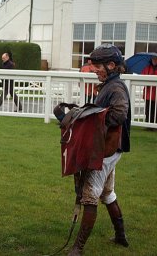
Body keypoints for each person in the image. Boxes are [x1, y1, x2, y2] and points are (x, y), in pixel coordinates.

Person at [68, 43, 131, 256]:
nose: (93, 69)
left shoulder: (115, 88)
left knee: (90, 196)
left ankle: (78, 247)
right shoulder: (109, 85)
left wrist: (93, 116)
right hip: (109, 148)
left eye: (97, 65)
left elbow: (119, 114)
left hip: (106, 151)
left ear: (111, 65)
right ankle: (121, 236)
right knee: (107, 193)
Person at [141, 54, 157, 125]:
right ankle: (148, 124)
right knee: (148, 109)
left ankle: (155, 124)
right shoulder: (147, 68)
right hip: (148, 93)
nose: (154, 60)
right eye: (153, 59)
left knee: (155, 109)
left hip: (155, 93)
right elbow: (143, 77)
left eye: (156, 59)